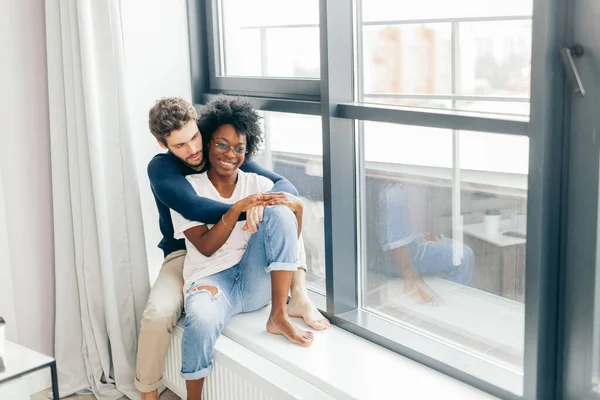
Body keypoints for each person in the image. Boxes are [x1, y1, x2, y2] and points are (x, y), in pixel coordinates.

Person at [135, 97, 329, 400]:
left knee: (282, 211)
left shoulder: (225, 152)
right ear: (164, 145)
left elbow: (282, 187)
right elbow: (193, 207)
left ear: (202, 128)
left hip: (240, 253)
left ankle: (296, 298)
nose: (193, 150)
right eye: (180, 146)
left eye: (195, 138)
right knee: (158, 314)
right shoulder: (163, 170)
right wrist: (245, 208)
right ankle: (147, 391)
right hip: (184, 252)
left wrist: (278, 204)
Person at [368, 179, 474, 304]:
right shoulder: (391, 192)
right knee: (463, 255)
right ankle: (448, 309)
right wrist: (411, 277)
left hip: (381, 250)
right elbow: (396, 244)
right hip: (382, 258)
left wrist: (420, 236)